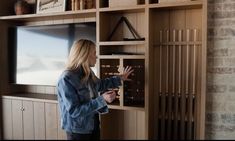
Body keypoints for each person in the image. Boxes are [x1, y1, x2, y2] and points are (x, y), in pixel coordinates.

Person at [56, 39, 134, 140]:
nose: (96, 56)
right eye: (94, 53)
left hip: (93, 125)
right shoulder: (66, 79)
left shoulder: (88, 73)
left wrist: (120, 78)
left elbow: (100, 85)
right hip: (77, 131)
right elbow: (75, 111)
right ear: (84, 55)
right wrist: (102, 99)